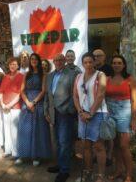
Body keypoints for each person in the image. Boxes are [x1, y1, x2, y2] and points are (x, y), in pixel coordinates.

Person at [73, 52, 108, 182]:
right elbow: (75, 96)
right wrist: (81, 112)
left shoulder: (100, 75)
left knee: (98, 146)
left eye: (90, 62)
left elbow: (100, 95)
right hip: (83, 115)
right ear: (82, 63)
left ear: (94, 62)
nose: (88, 64)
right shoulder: (78, 77)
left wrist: (90, 113)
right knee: (86, 146)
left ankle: (100, 175)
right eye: (85, 62)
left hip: (98, 114)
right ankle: (88, 172)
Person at [44, 54, 76, 182]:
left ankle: (65, 170)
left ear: (64, 61)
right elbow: (47, 95)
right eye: (56, 60)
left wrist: (70, 109)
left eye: (60, 60)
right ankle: (59, 164)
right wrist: (46, 111)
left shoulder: (72, 74)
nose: (58, 62)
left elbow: (75, 94)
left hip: (65, 114)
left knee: (64, 142)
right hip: (52, 113)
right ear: (53, 62)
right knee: (56, 141)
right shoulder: (50, 75)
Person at [106, 55, 136, 182]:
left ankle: (129, 174)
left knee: (124, 145)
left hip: (124, 112)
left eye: (119, 63)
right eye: (114, 63)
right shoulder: (108, 78)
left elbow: (134, 100)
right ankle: (118, 170)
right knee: (115, 146)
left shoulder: (131, 79)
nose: (116, 65)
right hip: (110, 112)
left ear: (124, 65)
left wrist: (133, 119)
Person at [17, 53, 51, 166]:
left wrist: (34, 102)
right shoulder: (26, 74)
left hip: (38, 103)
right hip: (26, 103)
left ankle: (37, 156)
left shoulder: (43, 75)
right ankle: (22, 155)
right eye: (32, 59)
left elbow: (43, 90)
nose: (33, 61)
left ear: (38, 61)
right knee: (24, 129)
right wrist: (27, 102)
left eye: (36, 59)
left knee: (38, 130)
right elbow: (22, 91)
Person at [0, 57, 24, 158]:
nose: (12, 66)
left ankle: (16, 152)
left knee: (15, 130)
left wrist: (9, 105)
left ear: (18, 66)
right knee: (6, 129)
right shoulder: (6, 76)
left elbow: (20, 94)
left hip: (16, 107)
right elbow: (1, 92)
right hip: (4, 107)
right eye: (11, 64)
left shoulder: (21, 76)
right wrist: (2, 104)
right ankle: (8, 150)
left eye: (14, 64)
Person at [93, 48, 113, 166]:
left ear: (104, 57)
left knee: (107, 131)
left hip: (107, 103)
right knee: (96, 132)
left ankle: (109, 156)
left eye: (98, 56)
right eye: (94, 56)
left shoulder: (108, 69)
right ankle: (97, 155)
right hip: (94, 104)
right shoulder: (92, 69)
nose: (96, 58)